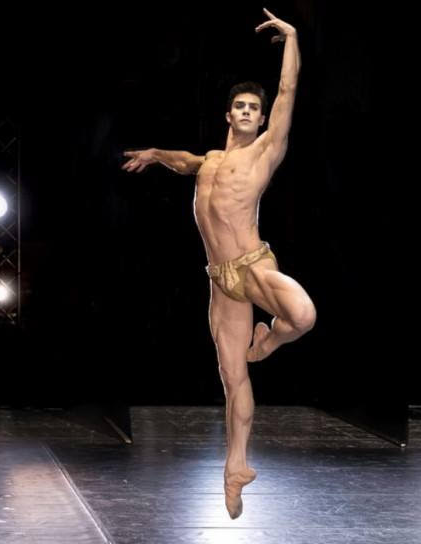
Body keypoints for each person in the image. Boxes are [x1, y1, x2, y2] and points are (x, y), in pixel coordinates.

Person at [122, 8, 316, 519]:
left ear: (261, 118)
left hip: (252, 266)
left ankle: (269, 340)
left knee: (303, 315)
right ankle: (236, 468)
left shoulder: (265, 153)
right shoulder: (209, 161)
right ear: (229, 115)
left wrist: (292, 38)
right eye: (241, 106)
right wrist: (154, 153)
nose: (248, 112)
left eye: (255, 108)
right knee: (232, 380)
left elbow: (288, 91)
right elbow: (182, 161)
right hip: (220, 281)